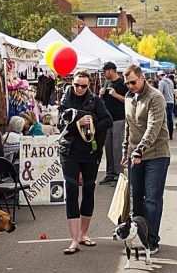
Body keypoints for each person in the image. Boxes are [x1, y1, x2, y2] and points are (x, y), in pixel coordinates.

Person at [58, 71, 112, 255]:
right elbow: (60, 125)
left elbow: (108, 121)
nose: (80, 89)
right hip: (69, 151)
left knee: (89, 190)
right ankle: (74, 240)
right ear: (71, 83)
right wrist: (77, 123)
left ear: (89, 86)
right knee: (72, 191)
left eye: (83, 86)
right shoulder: (65, 99)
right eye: (77, 85)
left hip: (90, 152)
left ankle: (84, 234)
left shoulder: (95, 100)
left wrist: (91, 124)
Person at [122, 64, 170, 253]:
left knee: (152, 199)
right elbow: (128, 125)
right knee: (137, 200)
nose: (130, 86)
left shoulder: (155, 97)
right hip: (135, 156)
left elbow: (153, 127)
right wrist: (126, 151)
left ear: (142, 77)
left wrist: (140, 149)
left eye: (133, 82)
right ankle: (138, 237)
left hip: (156, 154)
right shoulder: (128, 97)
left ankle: (151, 240)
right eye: (127, 83)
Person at [99, 61, 127, 185]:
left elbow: (129, 100)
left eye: (105, 71)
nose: (104, 74)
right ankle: (110, 174)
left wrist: (116, 95)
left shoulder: (122, 83)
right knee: (108, 148)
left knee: (117, 148)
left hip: (119, 119)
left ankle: (118, 175)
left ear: (111, 70)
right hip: (107, 120)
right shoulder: (106, 83)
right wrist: (101, 95)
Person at [157, 72, 176, 139]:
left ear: (159, 76)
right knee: (170, 118)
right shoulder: (170, 81)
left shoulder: (162, 82)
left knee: (165, 119)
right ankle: (171, 134)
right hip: (171, 101)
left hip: (165, 102)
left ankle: (166, 134)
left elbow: (160, 93)